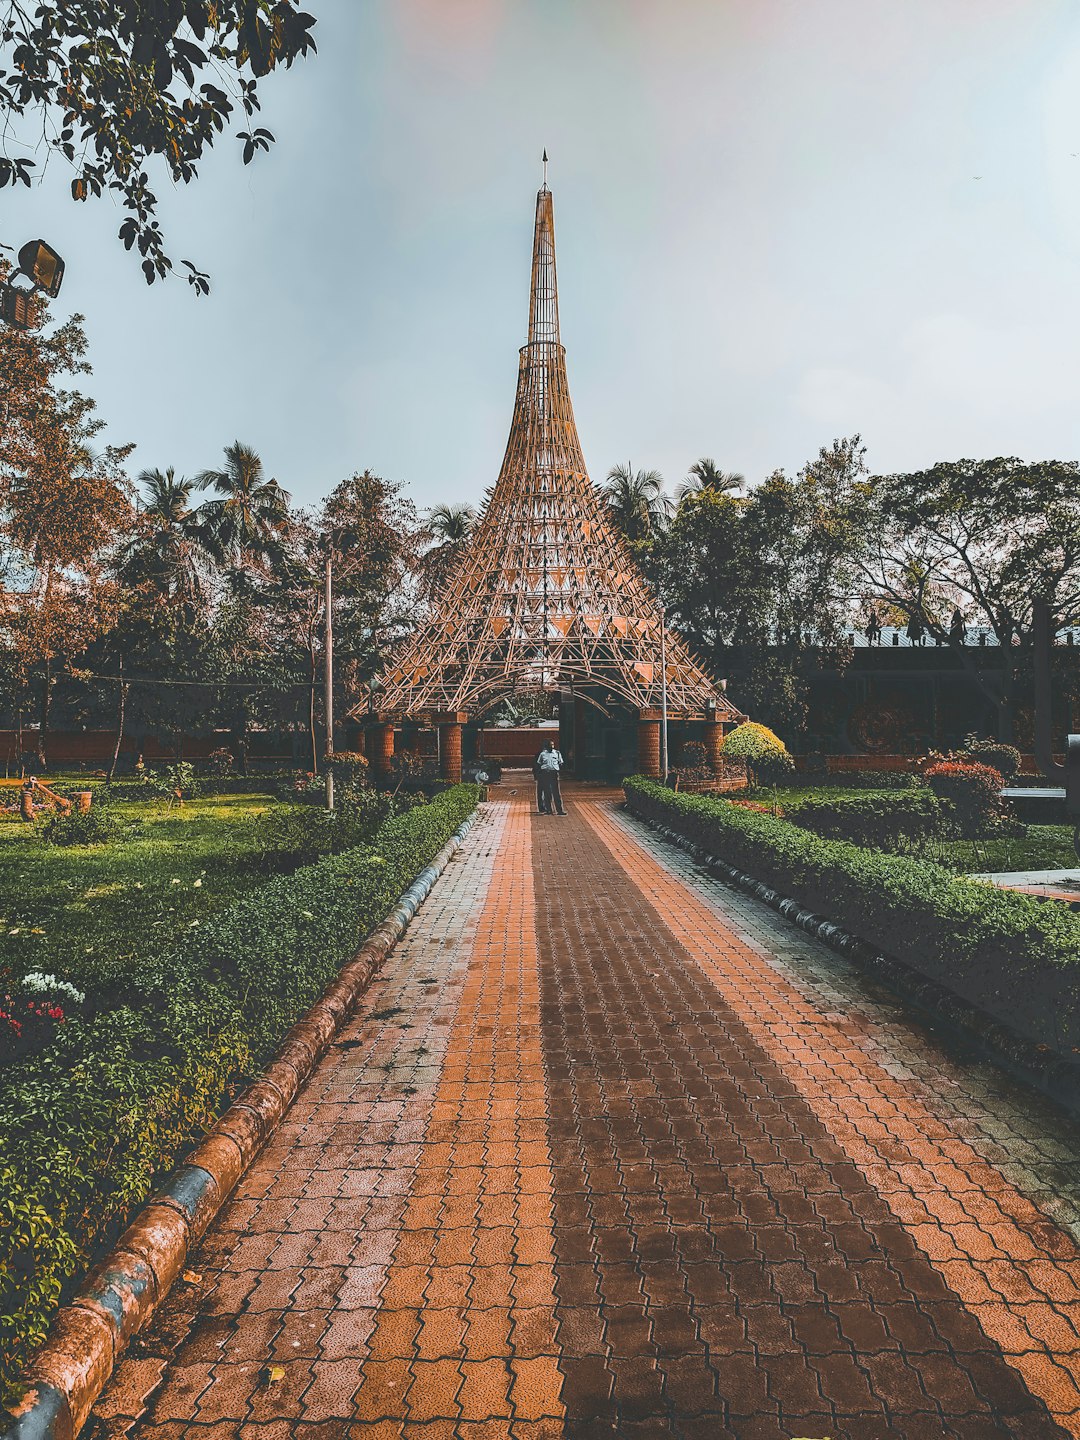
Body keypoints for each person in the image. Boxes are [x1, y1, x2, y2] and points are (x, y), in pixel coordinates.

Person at [535, 738, 566, 815]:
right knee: (547, 792)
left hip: (554, 773)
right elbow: (539, 763)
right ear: (547, 746)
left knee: (556, 792)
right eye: (550, 744)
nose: (552, 746)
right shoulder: (542, 754)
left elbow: (560, 762)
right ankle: (549, 810)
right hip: (545, 773)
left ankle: (559, 810)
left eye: (552, 744)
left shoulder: (557, 753)